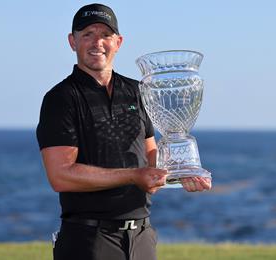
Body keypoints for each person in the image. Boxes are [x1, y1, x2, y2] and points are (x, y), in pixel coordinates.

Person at [36, 3, 212, 260]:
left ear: (118, 42)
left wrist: (179, 172)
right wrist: (134, 175)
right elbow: (61, 175)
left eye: (105, 35)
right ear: (72, 42)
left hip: (142, 238)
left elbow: (151, 158)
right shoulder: (60, 99)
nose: (98, 42)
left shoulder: (139, 91)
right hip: (89, 241)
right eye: (88, 34)